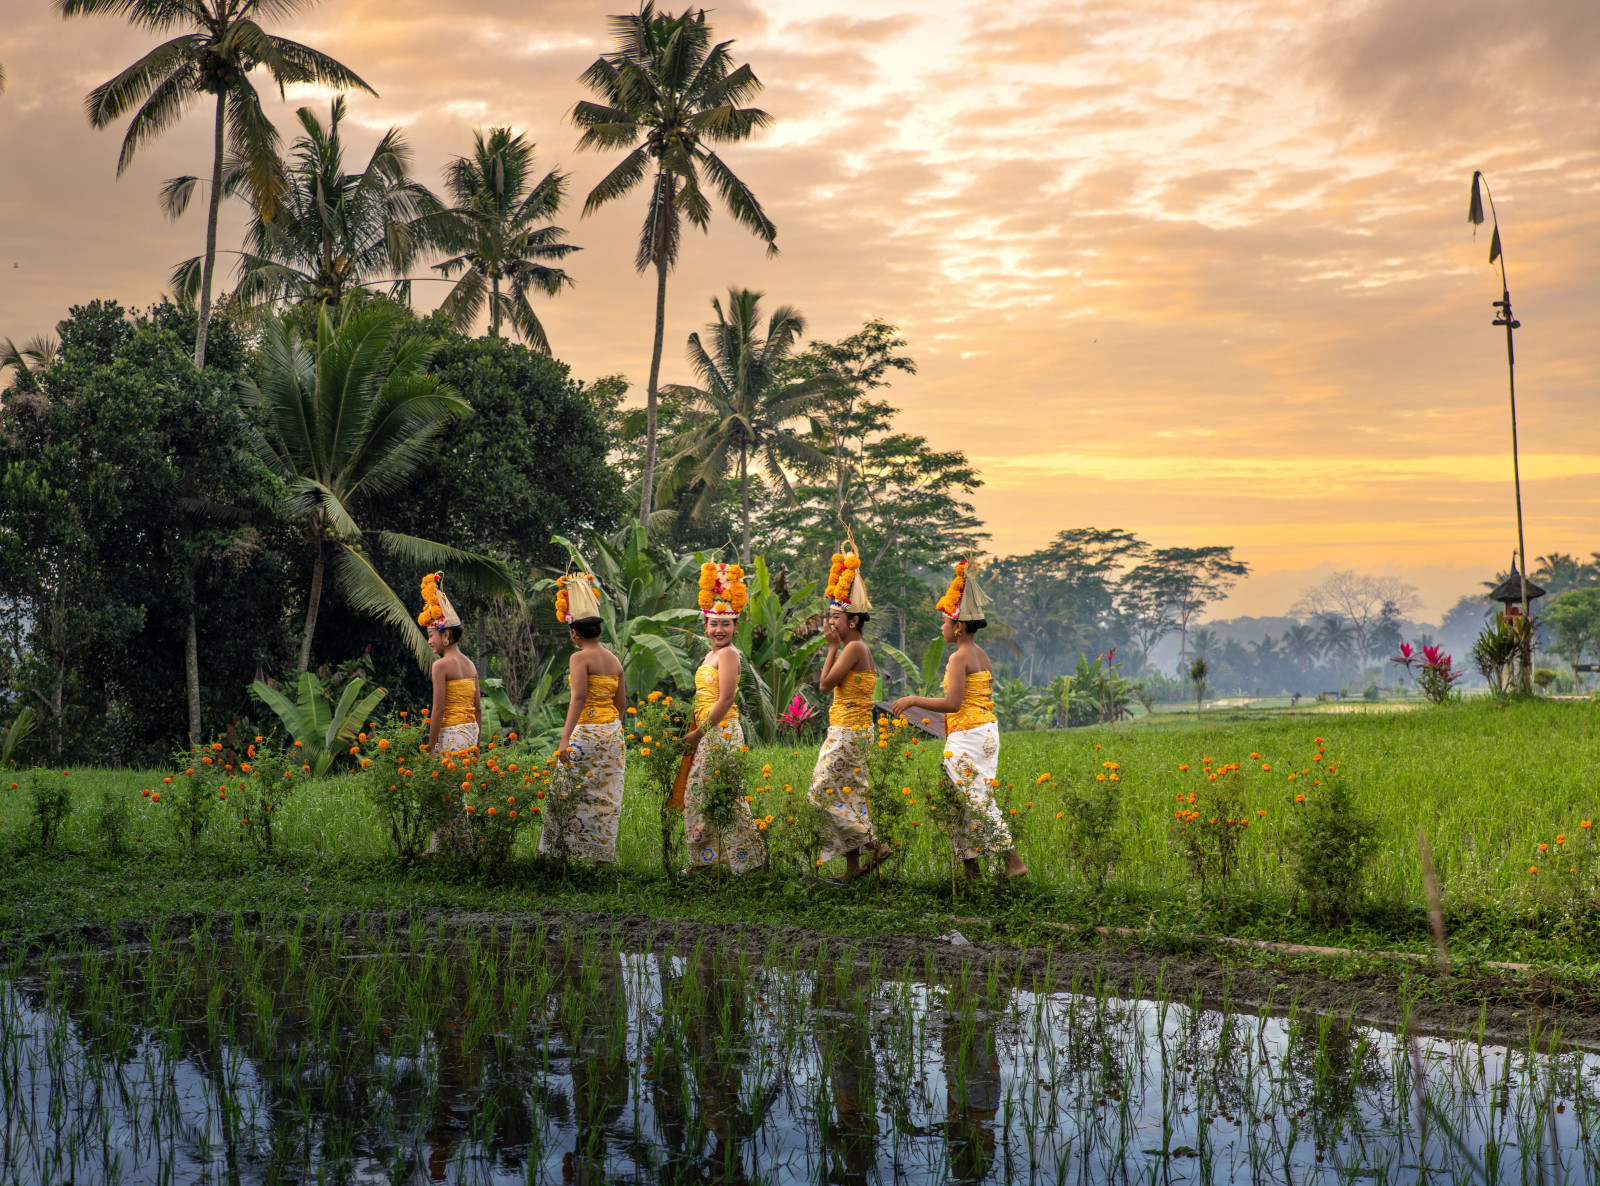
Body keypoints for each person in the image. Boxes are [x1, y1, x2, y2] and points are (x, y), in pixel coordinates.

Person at [891, 560, 1027, 880]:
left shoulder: (958, 657)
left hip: (969, 734)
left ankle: (1012, 861)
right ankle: (970, 870)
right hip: (984, 732)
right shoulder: (981, 654)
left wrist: (913, 700)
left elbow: (952, 703)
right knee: (959, 800)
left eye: (944, 622)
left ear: (959, 627)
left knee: (975, 798)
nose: (941, 628)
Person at [808, 547, 891, 881]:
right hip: (847, 730)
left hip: (849, 732)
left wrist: (830, 647)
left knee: (821, 794)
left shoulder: (854, 647)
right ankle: (853, 869)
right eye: (829, 616)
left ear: (853, 620)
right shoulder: (854, 647)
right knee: (846, 797)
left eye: (836, 618)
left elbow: (825, 685)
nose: (830, 622)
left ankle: (874, 845)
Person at [682, 561, 766, 875]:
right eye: (714, 624)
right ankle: (708, 862)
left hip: (721, 733)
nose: (719, 630)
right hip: (709, 733)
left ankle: (750, 864)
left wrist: (697, 734)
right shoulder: (710, 655)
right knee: (701, 796)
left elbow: (727, 699)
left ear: (735, 627)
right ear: (705, 625)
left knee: (725, 796)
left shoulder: (729, 654)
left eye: (726, 624)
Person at [543, 571, 628, 863]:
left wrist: (565, 739)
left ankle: (559, 856)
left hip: (586, 735)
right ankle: (600, 858)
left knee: (565, 793)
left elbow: (578, 698)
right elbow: (621, 705)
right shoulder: (614, 660)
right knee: (605, 796)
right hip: (612, 735)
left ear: (574, 632)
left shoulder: (578, 658)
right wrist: (611, 733)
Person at [418, 572, 481, 756]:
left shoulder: (440, 665)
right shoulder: (470, 665)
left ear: (445, 635)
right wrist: (477, 748)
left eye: (431, 636)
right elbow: (477, 710)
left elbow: (438, 710)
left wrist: (431, 747)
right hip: (470, 735)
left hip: (451, 737)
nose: (429, 641)